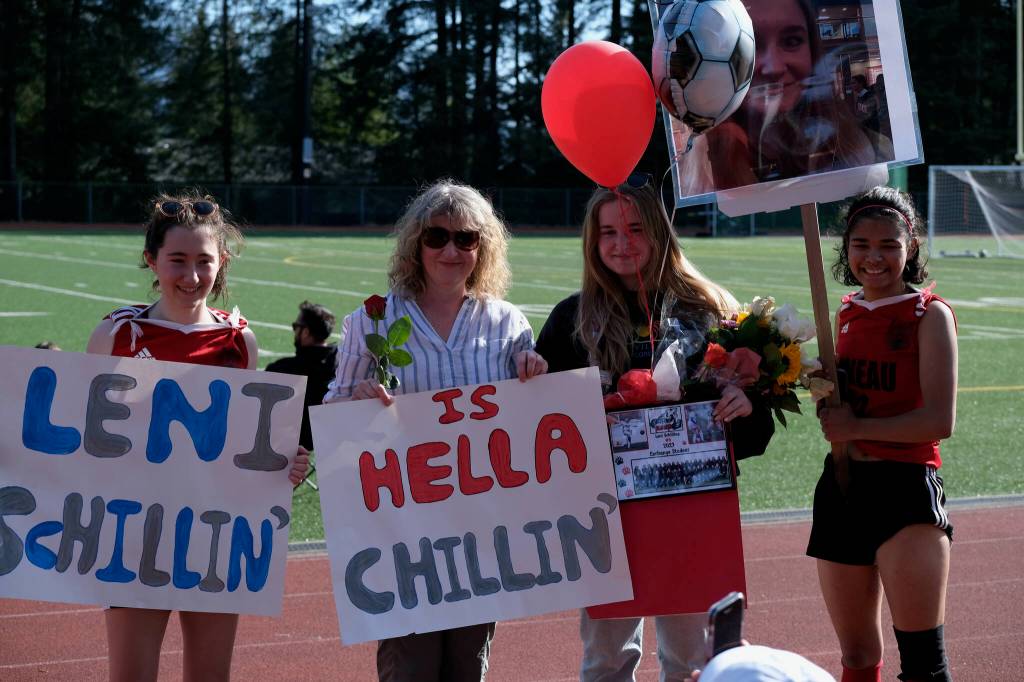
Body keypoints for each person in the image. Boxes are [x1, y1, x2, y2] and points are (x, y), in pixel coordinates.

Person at [534, 180, 775, 682]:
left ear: (661, 233)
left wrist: (744, 404)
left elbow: (754, 430)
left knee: (690, 661)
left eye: (635, 229)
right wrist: (532, 375)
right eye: (608, 233)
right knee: (606, 658)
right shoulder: (571, 319)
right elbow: (544, 427)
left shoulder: (711, 310)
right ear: (592, 241)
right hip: (603, 515)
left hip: (690, 509)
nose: (621, 243)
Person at [323, 179, 548, 682]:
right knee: (411, 664)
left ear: (483, 247)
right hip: (404, 528)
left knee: (469, 664)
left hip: (481, 527)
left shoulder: (509, 324)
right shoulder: (374, 321)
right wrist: (354, 402)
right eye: (437, 237)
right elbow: (333, 410)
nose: (451, 250)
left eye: (466, 238)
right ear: (415, 245)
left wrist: (532, 372)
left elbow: (526, 419)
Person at [86, 192, 309, 682]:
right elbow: (84, 439)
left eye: (204, 262)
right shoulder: (116, 336)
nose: (191, 277)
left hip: (214, 535)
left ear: (221, 261)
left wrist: (281, 465)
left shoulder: (238, 340)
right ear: (152, 260)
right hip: (133, 535)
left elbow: (245, 443)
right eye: (177, 261)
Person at [809, 187, 957, 682]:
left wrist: (858, 426)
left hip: (905, 491)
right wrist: (824, 397)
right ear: (846, 248)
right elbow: (847, 407)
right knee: (856, 658)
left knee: (922, 665)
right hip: (843, 488)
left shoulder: (929, 315)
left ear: (910, 246)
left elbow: (939, 420)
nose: (874, 257)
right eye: (862, 244)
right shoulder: (847, 315)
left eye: (889, 245)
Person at [677, 0, 893, 195]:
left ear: (813, 51)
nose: (774, 67)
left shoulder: (868, 148)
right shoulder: (700, 167)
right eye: (750, 43)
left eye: (791, 41)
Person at [265, 300, 338, 451]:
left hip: (295, 440)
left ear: (305, 332)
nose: (295, 331)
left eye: (295, 327)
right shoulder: (341, 364)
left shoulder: (281, 369)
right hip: (332, 439)